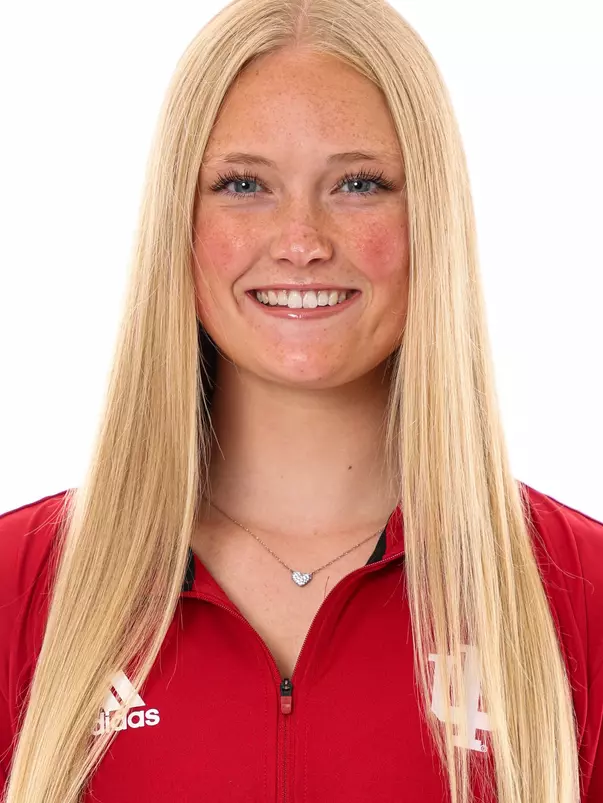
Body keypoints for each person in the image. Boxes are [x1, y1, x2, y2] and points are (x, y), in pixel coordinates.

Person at [1, 0, 601, 801]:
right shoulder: (19, 584)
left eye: (358, 184)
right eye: (243, 184)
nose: (301, 239)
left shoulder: (582, 593)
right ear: (180, 222)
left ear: (431, 217)